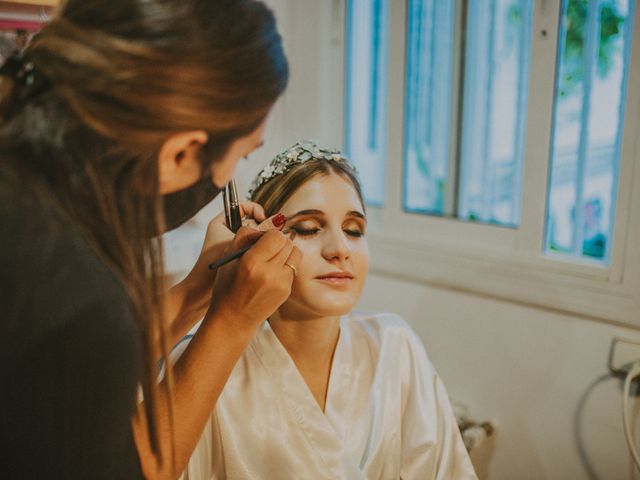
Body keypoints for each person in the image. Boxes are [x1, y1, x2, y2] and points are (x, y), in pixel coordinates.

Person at [0, 1, 302, 478]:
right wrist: (229, 323)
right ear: (180, 154)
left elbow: (56, 381)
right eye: (241, 156)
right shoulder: (65, 284)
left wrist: (193, 295)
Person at [178, 141, 478, 479]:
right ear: (256, 242)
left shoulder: (396, 345)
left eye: (354, 230)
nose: (340, 249)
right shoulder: (206, 369)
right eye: (308, 228)